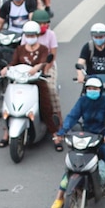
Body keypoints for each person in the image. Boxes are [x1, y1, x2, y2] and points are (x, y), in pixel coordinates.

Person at [51, 77, 105, 208]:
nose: (92, 91)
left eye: (95, 89)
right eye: (89, 88)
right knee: (71, 165)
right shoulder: (83, 101)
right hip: (86, 136)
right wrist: (61, 133)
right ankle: (59, 196)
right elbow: (72, 117)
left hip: (102, 137)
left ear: (101, 90)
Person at [0, 21, 59, 149]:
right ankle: (6, 133)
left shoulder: (43, 49)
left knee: (46, 106)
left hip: (36, 82)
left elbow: (44, 61)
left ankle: (55, 134)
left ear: (37, 35)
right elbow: (13, 63)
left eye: (32, 35)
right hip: (20, 81)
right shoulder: (20, 49)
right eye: (28, 35)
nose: (30, 37)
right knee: (7, 107)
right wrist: (6, 69)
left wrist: (37, 67)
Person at [25, 9, 62, 137]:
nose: (42, 26)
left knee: (50, 89)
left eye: (45, 23)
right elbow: (22, 53)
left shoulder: (51, 35)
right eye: (39, 24)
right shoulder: (27, 35)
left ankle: (59, 121)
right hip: (30, 68)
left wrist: (45, 70)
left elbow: (53, 55)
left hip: (47, 67)